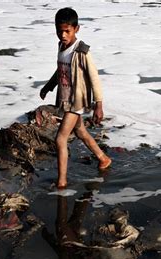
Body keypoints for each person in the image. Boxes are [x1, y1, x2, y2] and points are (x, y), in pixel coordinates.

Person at [40, 7, 111, 189]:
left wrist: (99, 104)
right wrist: (48, 86)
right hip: (65, 99)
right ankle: (103, 158)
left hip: (76, 101)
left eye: (67, 31)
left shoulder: (81, 51)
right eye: (59, 31)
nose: (63, 35)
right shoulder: (61, 47)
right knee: (80, 132)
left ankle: (62, 181)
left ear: (76, 29)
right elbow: (60, 70)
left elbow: (94, 78)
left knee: (60, 139)